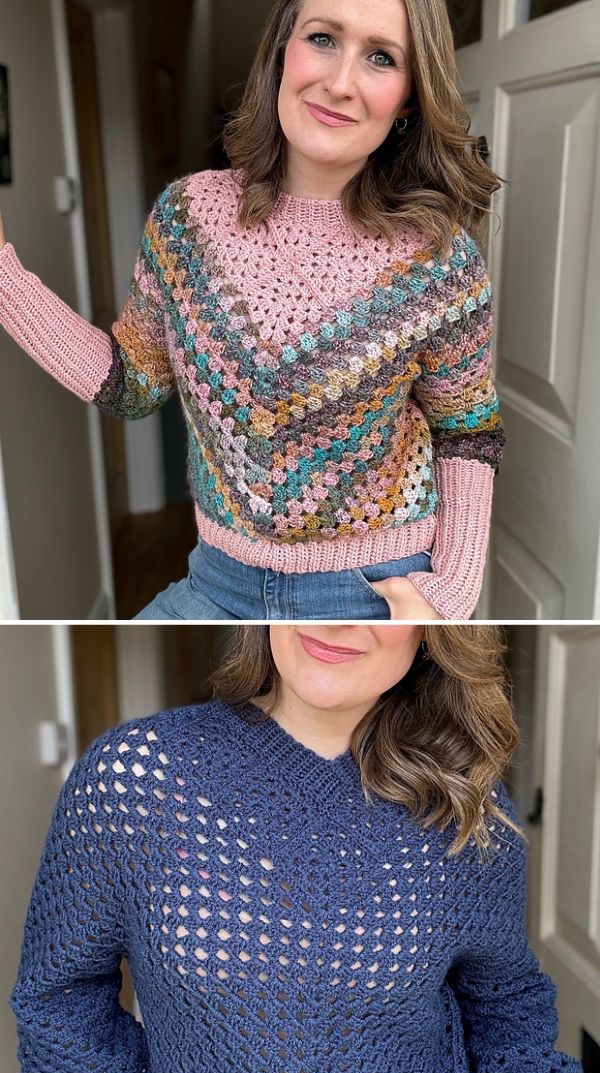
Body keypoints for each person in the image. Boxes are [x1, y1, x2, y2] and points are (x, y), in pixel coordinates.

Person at [9, 624, 583, 1073]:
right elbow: (60, 992)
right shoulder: (140, 778)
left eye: (375, 594)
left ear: (433, 625)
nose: (338, 619)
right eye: (314, 582)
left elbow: (508, 998)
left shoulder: (462, 799)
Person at [0, 0, 505, 622]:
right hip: (216, 583)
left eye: (381, 57)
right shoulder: (188, 218)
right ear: (280, 53)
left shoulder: (440, 258)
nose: (341, 82)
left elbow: (468, 433)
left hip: (374, 594)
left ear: (408, 98)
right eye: (322, 38)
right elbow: (131, 383)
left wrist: (450, 594)